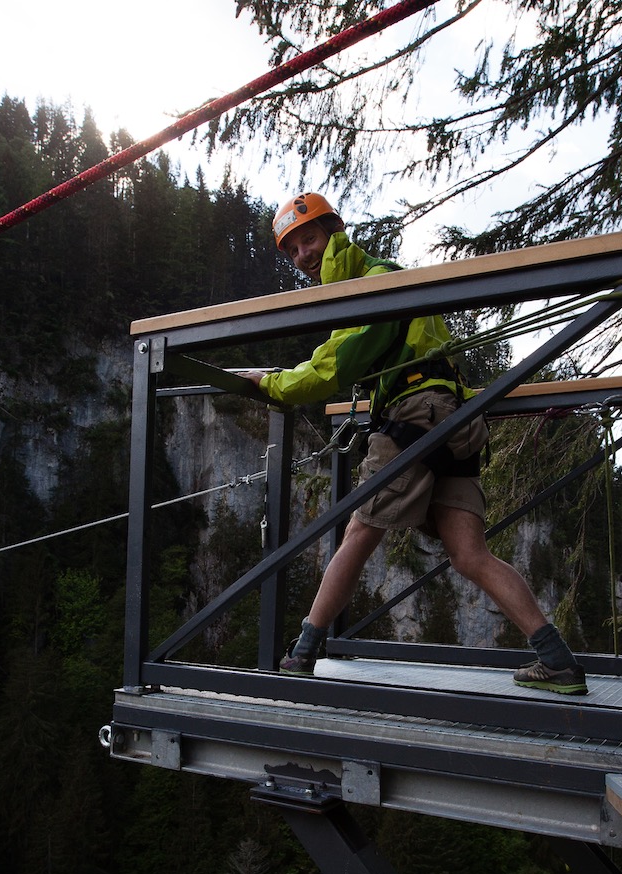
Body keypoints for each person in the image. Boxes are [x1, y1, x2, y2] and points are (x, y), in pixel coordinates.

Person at [243, 192, 588, 695]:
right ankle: (557, 660)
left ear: (335, 230)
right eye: (293, 250)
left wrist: (269, 383)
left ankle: (301, 653)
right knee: (469, 554)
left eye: (309, 239)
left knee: (360, 530)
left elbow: (332, 368)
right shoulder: (386, 280)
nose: (304, 256)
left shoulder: (374, 285)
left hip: (414, 416)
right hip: (454, 421)